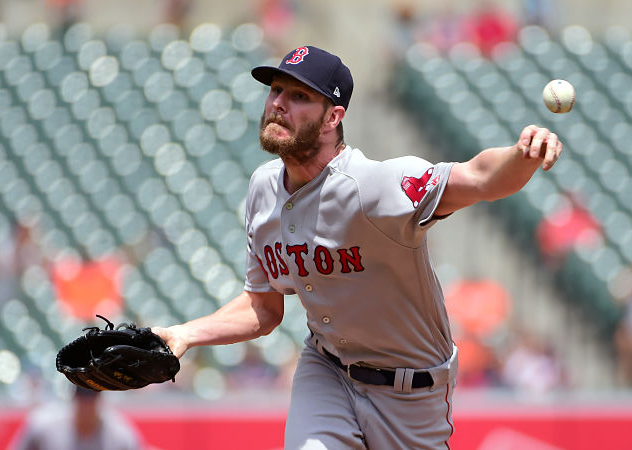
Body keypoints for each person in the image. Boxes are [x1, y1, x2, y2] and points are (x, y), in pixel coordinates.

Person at [153, 45, 564, 449]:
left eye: (299, 96)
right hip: (327, 370)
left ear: (333, 117)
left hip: (411, 390)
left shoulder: (373, 186)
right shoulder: (263, 188)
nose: (278, 103)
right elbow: (263, 306)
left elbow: (479, 178)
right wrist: (183, 334)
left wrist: (522, 155)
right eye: (276, 90)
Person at [11, 387, 144, 450]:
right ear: (74, 397)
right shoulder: (43, 424)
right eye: (82, 398)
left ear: (99, 399)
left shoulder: (120, 434)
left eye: (90, 399)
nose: (86, 405)